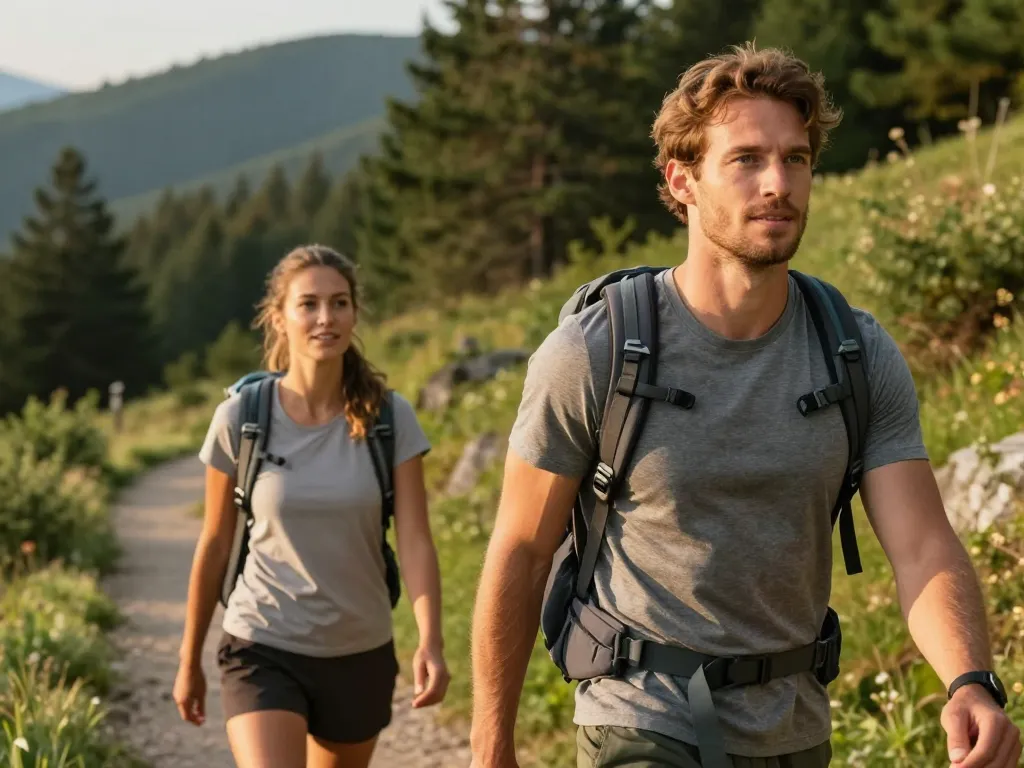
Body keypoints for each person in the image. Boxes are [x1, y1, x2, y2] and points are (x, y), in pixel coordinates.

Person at [468, 43, 1022, 768]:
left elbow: (921, 544)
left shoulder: (854, 350)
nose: (778, 183)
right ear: (683, 180)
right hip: (642, 717)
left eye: (796, 159)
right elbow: (522, 547)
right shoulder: (597, 351)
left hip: (795, 726)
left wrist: (969, 682)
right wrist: (491, 746)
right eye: (747, 159)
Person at [173, 244, 450, 768]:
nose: (326, 317)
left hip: (359, 652)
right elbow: (214, 543)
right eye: (309, 304)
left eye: (339, 302)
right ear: (279, 318)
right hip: (262, 642)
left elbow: (414, 540)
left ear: (354, 313)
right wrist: (190, 660)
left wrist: (430, 640)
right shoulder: (241, 418)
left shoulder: (390, 419)